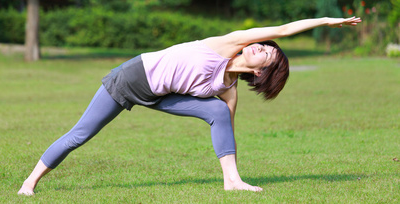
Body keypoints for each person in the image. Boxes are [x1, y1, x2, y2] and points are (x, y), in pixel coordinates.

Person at [18, 16, 361, 195]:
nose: (261, 47)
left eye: (267, 54)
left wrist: (231, 162)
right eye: (264, 46)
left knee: (218, 112)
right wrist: (328, 22)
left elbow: (227, 127)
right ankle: (29, 183)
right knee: (81, 134)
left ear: (261, 71)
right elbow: (284, 29)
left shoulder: (228, 88)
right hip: (132, 78)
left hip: (161, 95)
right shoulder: (229, 43)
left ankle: (232, 182)